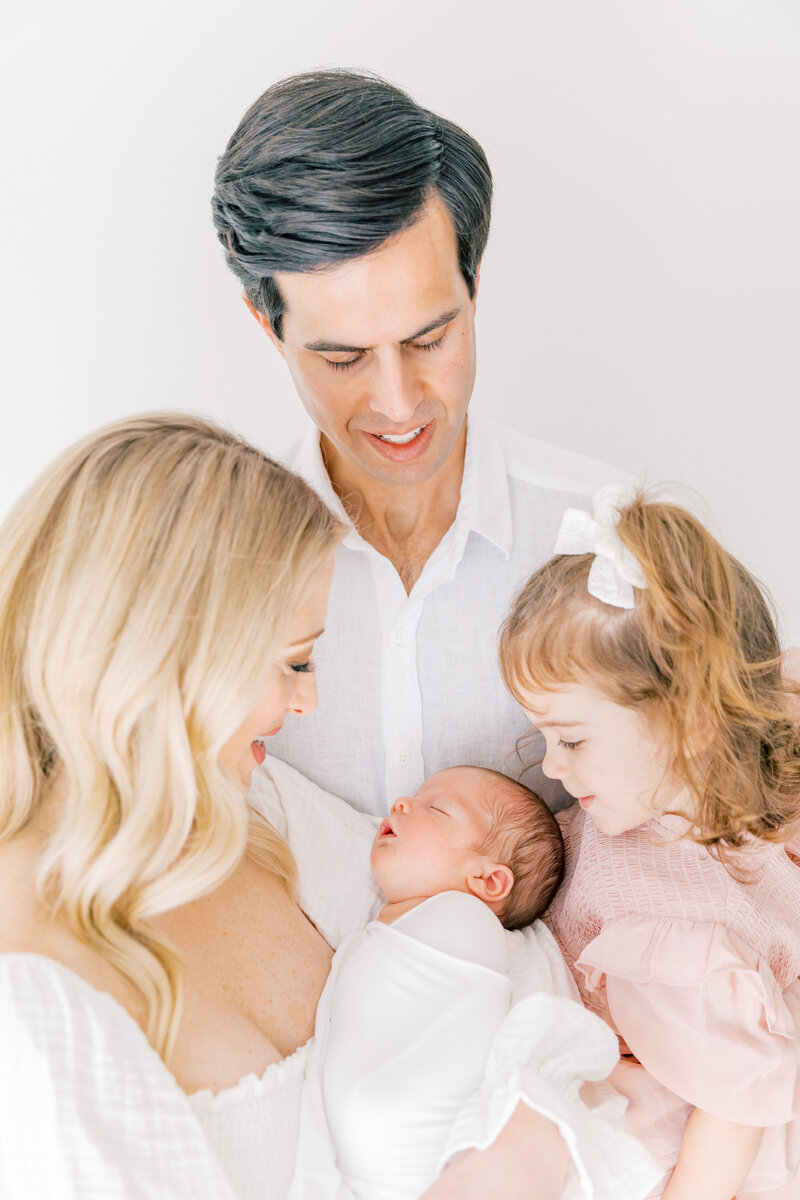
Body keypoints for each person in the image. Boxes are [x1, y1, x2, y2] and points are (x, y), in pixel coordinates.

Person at [0, 415, 652, 1200]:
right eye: (295, 661)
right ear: (171, 658)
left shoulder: (257, 811)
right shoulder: (33, 997)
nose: (307, 703)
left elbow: (510, 949)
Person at [211, 68, 628, 816]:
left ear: (474, 289)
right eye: (342, 359)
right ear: (266, 326)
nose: (398, 403)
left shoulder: (609, 538)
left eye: (430, 338)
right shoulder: (203, 562)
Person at [498, 483, 800, 1199]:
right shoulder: (644, 802)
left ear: (690, 723)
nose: (550, 765)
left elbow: (732, 1110)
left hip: (724, 1151)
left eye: (570, 737)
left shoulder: (681, 927)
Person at [291, 766, 660, 1200]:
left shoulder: (465, 921)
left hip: (420, 1145)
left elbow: (475, 1048)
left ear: (487, 880)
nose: (400, 803)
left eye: (436, 808)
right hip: (372, 1165)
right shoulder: (377, 932)